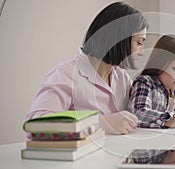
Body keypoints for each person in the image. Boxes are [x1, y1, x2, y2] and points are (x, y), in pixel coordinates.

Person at [25, 2, 149, 135]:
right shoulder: (65, 74)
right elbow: (35, 124)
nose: (142, 51)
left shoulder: (122, 79)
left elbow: (142, 110)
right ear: (118, 38)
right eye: (139, 42)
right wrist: (101, 122)